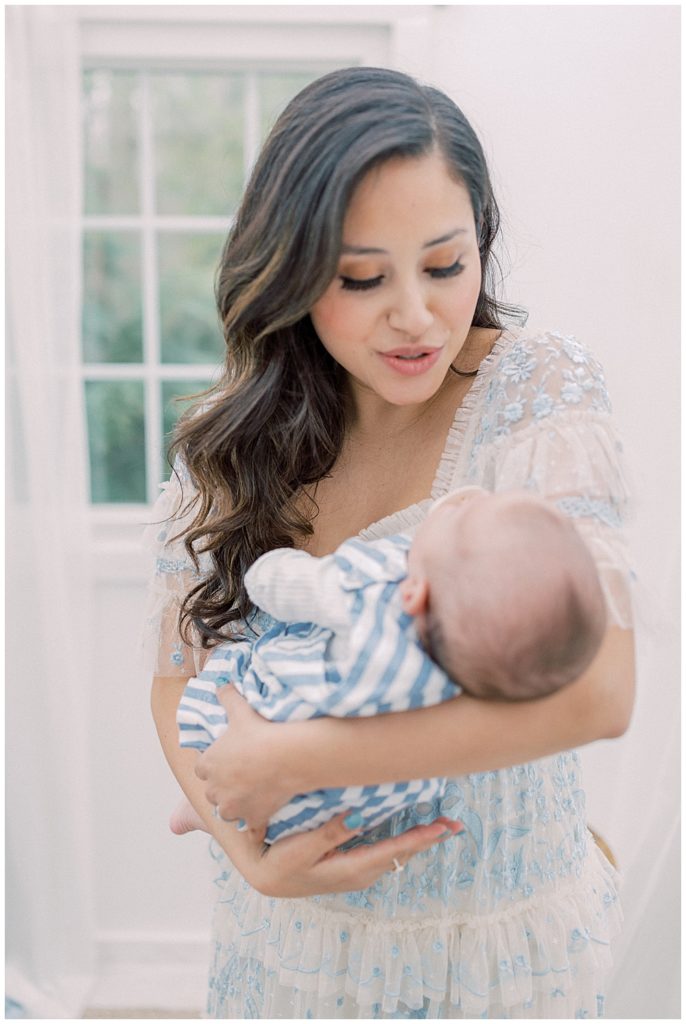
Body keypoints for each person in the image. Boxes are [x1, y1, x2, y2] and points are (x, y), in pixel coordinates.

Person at [147, 66, 634, 1019]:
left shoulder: (540, 392)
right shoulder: (231, 439)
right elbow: (176, 674)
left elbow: (603, 692)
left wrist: (306, 759)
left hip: (494, 938)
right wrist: (254, 860)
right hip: (290, 950)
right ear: (287, 272)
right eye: (361, 278)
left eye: (446, 266)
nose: (415, 315)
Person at [170, 485, 607, 843]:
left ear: (414, 593)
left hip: (257, 741)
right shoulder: (470, 672)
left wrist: (277, 569)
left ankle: (203, 805)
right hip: (331, 814)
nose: (466, 503)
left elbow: (278, 582)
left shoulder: (377, 587)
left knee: (235, 664)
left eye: (458, 523)